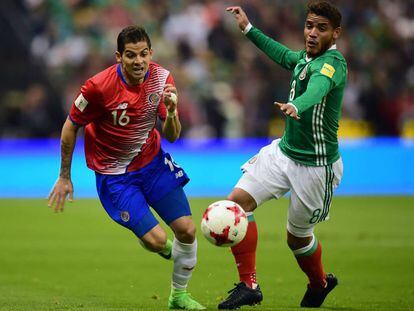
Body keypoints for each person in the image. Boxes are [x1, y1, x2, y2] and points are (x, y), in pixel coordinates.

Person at [47, 25, 205, 311]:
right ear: (119, 57)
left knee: (188, 230)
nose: (138, 61)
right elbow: (71, 126)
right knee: (158, 241)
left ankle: (179, 297)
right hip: (115, 176)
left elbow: (172, 135)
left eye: (143, 54)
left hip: (153, 163)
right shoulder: (98, 87)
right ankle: (161, 247)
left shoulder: (161, 80)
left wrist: (171, 112)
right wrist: (64, 176)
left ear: (151, 54)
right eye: (131, 55)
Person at [221, 1, 347, 309]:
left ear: (335, 34)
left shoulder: (332, 64)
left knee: (297, 239)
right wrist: (248, 28)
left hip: (316, 167)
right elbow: (282, 54)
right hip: (283, 152)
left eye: (321, 28)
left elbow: (318, 88)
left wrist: (297, 105)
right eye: (309, 26)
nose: (312, 33)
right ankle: (249, 285)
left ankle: (319, 284)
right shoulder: (304, 58)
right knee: (236, 203)